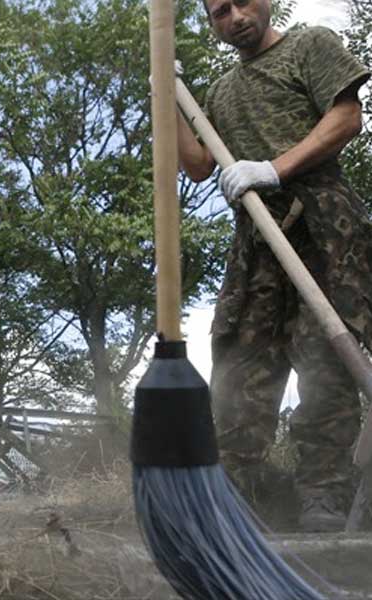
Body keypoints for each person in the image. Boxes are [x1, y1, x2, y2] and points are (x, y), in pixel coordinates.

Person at [177, 0, 372, 532]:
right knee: (239, 359)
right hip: (257, 238)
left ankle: (324, 497)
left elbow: (346, 118)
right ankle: (239, 498)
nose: (235, 16)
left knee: (324, 361)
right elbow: (196, 165)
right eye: (219, 12)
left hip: (323, 224)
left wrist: (274, 167)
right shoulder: (218, 92)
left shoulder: (311, 44)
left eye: (242, 3)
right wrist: (169, 99)